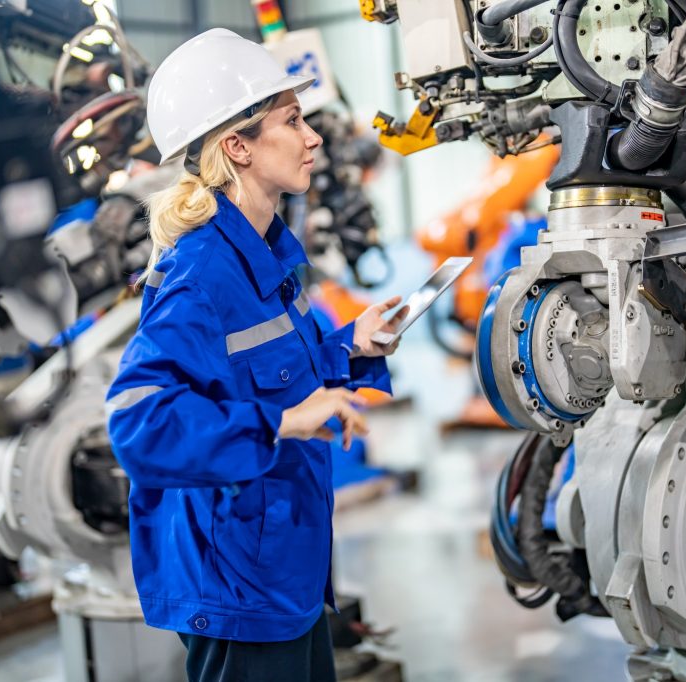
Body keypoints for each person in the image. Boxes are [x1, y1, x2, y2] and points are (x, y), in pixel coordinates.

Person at [106, 28, 408, 682]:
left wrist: (351, 346)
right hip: (238, 587)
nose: (314, 137)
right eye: (292, 121)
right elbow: (138, 424)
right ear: (237, 147)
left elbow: (273, 376)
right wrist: (282, 423)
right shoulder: (201, 277)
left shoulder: (266, 254)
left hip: (287, 573)